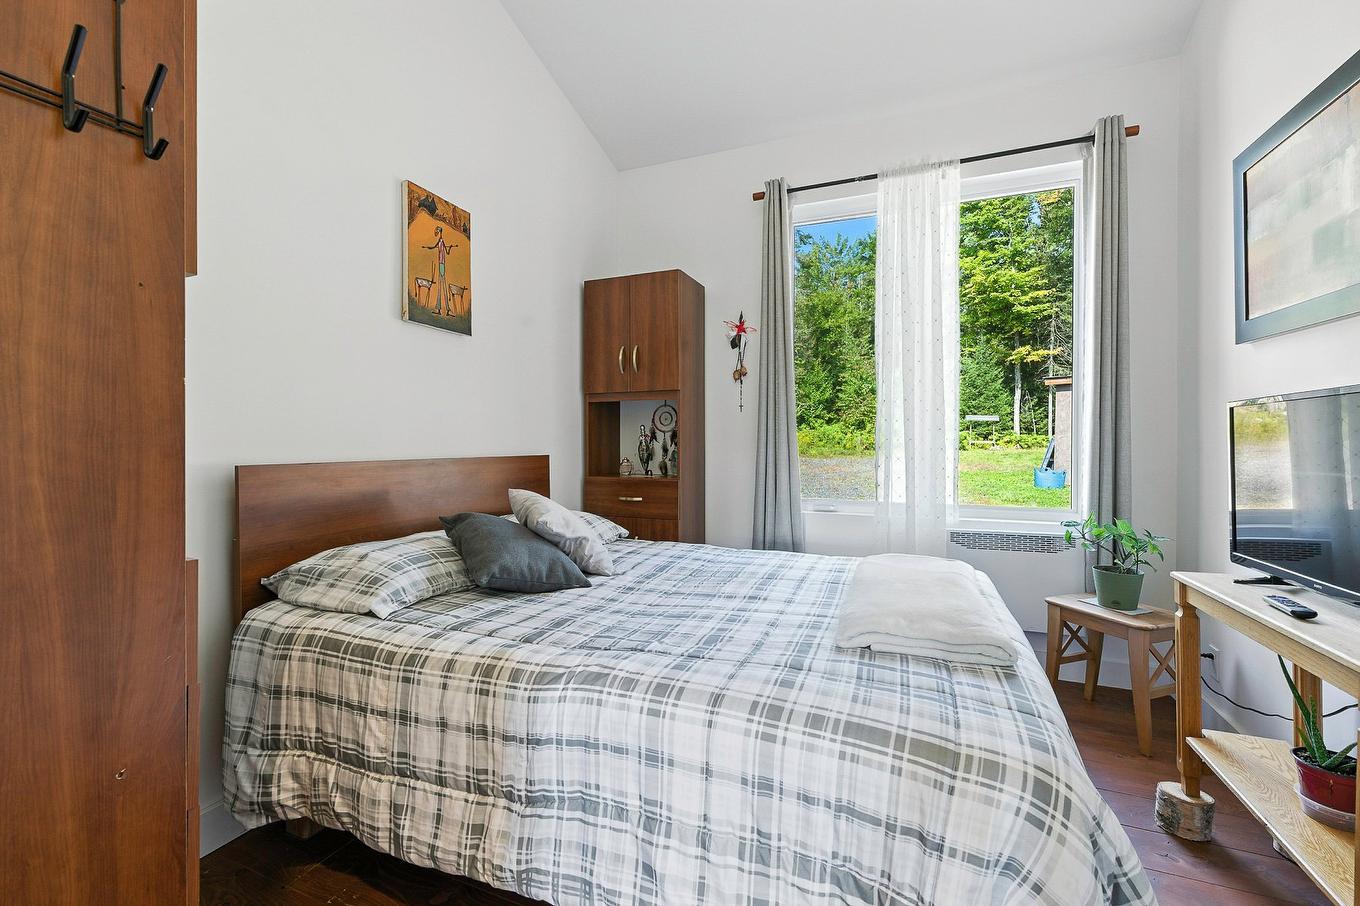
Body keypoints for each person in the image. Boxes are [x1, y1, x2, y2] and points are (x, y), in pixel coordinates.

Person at [423, 225, 456, 316]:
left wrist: (450, 248)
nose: (437, 233)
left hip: (442, 264)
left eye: (438, 231)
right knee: (442, 285)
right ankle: (443, 309)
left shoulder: (441, 241)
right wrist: (429, 248)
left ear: (440, 232)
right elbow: (436, 248)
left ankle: (441, 309)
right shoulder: (441, 241)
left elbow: (445, 252)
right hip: (442, 264)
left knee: (442, 285)